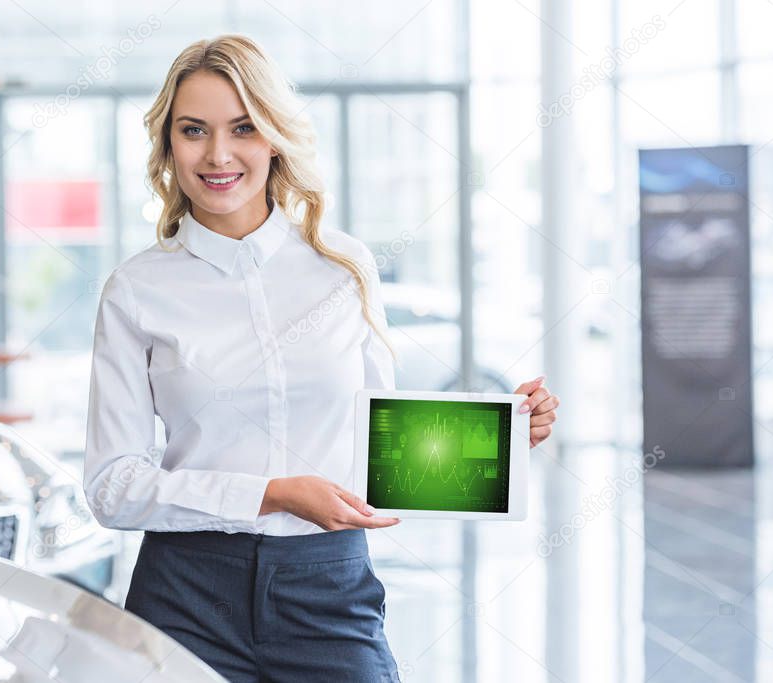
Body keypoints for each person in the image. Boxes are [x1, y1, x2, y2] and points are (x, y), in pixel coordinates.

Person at [83, 34, 559, 682]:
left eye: (242, 128)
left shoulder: (343, 267)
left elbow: (372, 451)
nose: (218, 154)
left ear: (274, 136)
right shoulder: (137, 289)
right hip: (184, 596)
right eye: (193, 130)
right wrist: (271, 493)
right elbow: (112, 487)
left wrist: (494, 442)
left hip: (326, 587)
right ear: (168, 143)